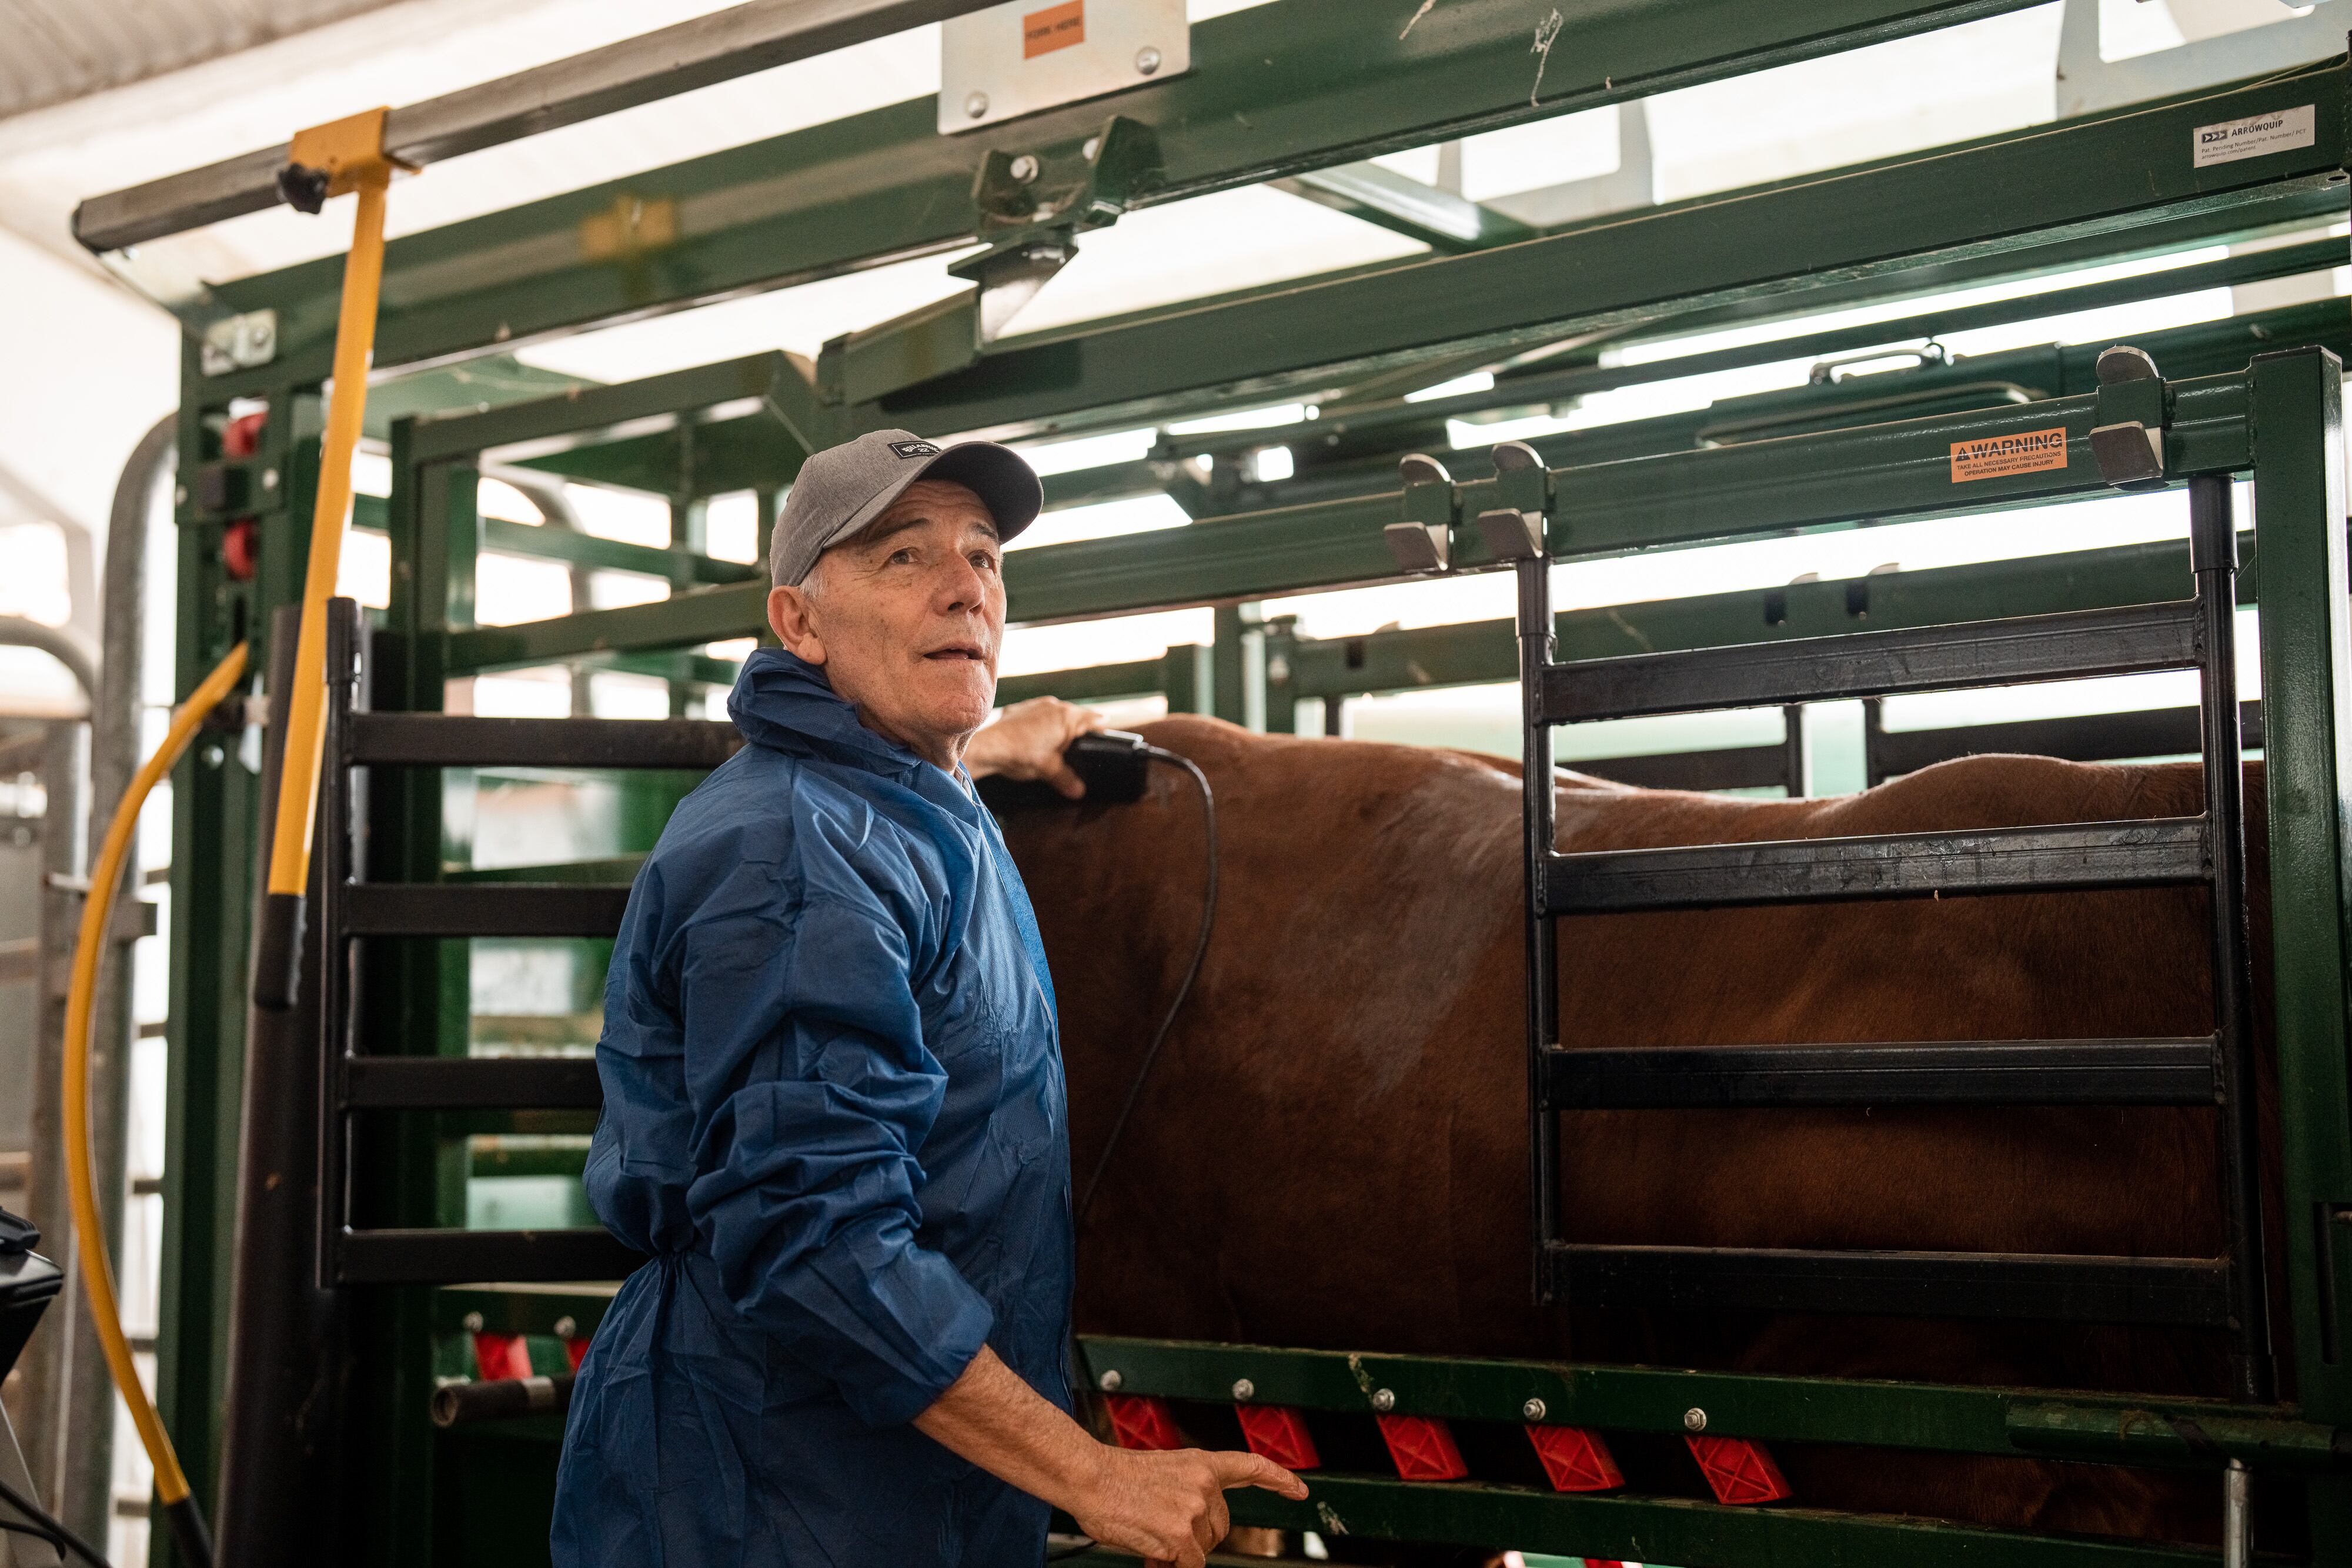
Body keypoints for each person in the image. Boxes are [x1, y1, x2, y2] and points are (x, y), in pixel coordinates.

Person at [551, 429, 1305, 1568]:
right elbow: (817, 1243)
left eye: (984, 554)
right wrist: (1091, 1473)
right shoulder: (797, 854)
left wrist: (987, 750)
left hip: (892, 1481)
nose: (964, 585)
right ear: (796, 623)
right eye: (902, 557)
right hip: (770, 1493)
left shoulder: (906, 804)